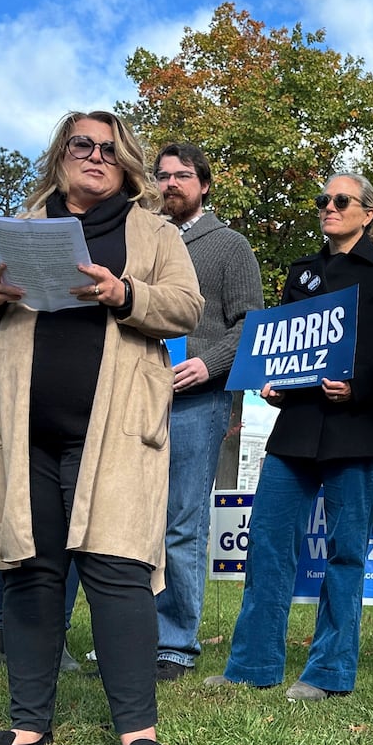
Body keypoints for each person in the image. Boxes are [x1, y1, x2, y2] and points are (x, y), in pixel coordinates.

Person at [0, 110, 201, 745]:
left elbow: (185, 306)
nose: (95, 155)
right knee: (30, 571)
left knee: (118, 569)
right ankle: (29, 726)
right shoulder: (19, 229)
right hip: (21, 428)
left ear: (126, 164)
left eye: (109, 148)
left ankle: (137, 732)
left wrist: (124, 291)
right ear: (61, 156)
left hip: (115, 430)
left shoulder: (152, 232)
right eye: (81, 145)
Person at [206, 173, 373, 699]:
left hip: (358, 427)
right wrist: (272, 384)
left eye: (340, 200)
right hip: (295, 428)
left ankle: (328, 673)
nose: (328, 206)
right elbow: (283, 343)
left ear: (367, 213)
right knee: (268, 544)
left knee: (346, 554)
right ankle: (253, 665)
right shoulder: (302, 273)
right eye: (323, 199)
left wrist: (359, 386)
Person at [152, 142, 263, 682]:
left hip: (199, 399)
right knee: (134, 525)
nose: (171, 183)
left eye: (182, 175)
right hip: (136, 398)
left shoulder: (228, 246)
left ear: (204, 184)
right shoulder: (141, 242)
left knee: (181, 522)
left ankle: (175, 643)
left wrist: (209, 364)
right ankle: (136, 635)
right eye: (163, 175)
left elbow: (250, 325)